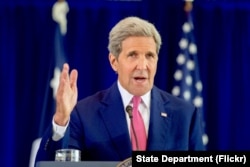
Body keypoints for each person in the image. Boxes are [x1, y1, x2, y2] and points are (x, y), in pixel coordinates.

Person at [35, 16, 205, 164]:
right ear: (114, 61)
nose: (142, 65)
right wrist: (61, 120)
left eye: (149, 56)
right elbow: (51, 164)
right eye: (133, 55)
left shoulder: (185, 114)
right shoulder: (84, 113)